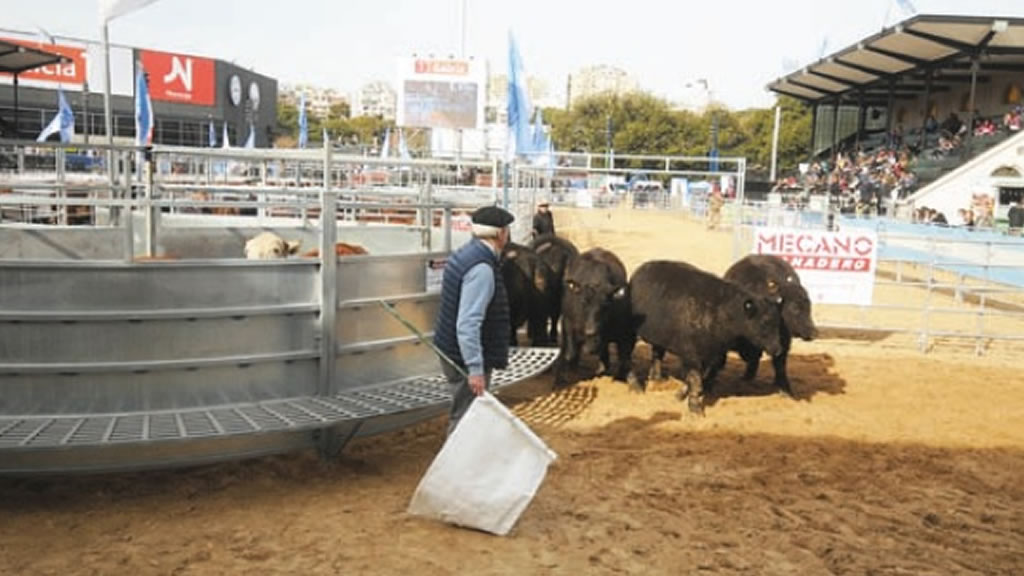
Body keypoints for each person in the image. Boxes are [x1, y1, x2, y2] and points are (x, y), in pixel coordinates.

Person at [433, 205, 515, 436]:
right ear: (501, 234)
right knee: (466, 417)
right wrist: (475, 368)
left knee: (465, 412)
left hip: (450, 347)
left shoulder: (465, 254)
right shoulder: (482, 269)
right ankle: (454, 469)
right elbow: (468, 323)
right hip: (463, 355)